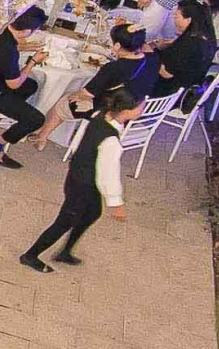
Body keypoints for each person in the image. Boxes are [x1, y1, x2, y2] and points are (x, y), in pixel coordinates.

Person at [21, 84, 138, 273]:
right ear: (126, 111)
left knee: (93, 213)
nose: (142, 110)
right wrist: (115, 203)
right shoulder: (111, 141)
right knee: (64, 221)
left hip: (78, 176)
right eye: (140, 107)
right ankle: (31, 255)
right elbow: (108, 174)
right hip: (83, 184)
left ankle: (65, 251)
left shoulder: (100, 115)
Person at [0, 6, 52, 168]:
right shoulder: (8, 51)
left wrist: (26, 47)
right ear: (26, 31)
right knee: (35, 119)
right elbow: (14, 84)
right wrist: (33, 61)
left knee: (31, 85)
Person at [143, 0, 217, 102]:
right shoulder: (208, 38)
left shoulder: (189, 45)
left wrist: (149, 52)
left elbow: (166, 74)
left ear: (188, 20)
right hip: (187, 85)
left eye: (176, 16)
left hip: (166, 93)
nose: (174, 20)